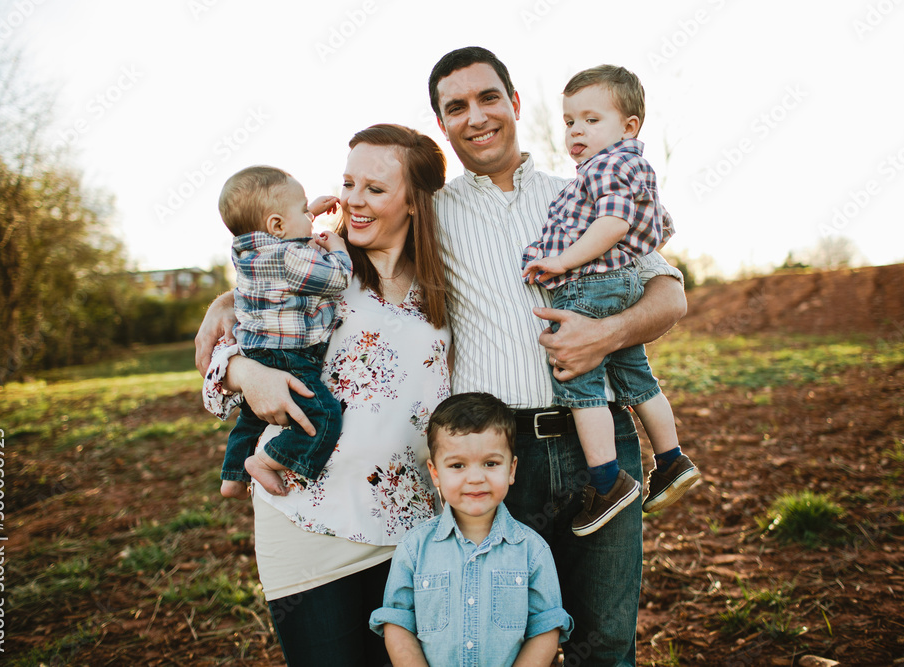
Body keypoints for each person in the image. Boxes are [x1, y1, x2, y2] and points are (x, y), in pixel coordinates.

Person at [428, 47, 686, 666]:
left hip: (598, 445)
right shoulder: (429, 215)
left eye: (488, 98)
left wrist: (608, 333)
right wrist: (227, 298)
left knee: (605, 643)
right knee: (506, 646)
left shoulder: (581, 191)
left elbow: (670, 295)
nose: (476, 116)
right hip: (496, 457)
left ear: (514, 104)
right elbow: (341, 258)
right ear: (442, 124)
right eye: (455, 107)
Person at [198, 124, 451, 666]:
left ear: (416, 202)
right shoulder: (310, 267)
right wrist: (245, 373)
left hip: (408, 531)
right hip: (305, 525)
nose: (353, 201)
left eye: (376, 189)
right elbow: (215, 385)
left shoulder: (451, 284)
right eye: (348, 182)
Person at [520, 65, 701, 536]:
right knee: (637, 378)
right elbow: (650, 226)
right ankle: (671, 461)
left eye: (590, 119)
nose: (576, 130)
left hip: (591, 284)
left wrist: (561, 261)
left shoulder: (608, 165)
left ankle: (606, 482)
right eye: (569, 121)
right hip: (616, 283)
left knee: (580, 384)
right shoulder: (619, 168)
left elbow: (614, 225)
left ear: (629, 126)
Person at [369, 392, 573, 667]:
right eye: (457, 465)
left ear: (512, 469)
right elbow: (397, 623)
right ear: (436, 472)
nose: (476, 478)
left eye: (491, 463)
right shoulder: (414, 548)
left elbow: (546, 628)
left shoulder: (532, 551)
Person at [217, 165, 350, 499]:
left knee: (249, 417)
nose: (311, 218)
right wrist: (338, 249)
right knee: (323, 416)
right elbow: (337, 279)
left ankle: (231, 476)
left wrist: (309, 212)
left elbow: (287, 231)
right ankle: (265, 461)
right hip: (290, 355)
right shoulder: (291, 256)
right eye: (304, 211)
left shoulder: (244, 251)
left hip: (256, 351)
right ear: (276, 224)